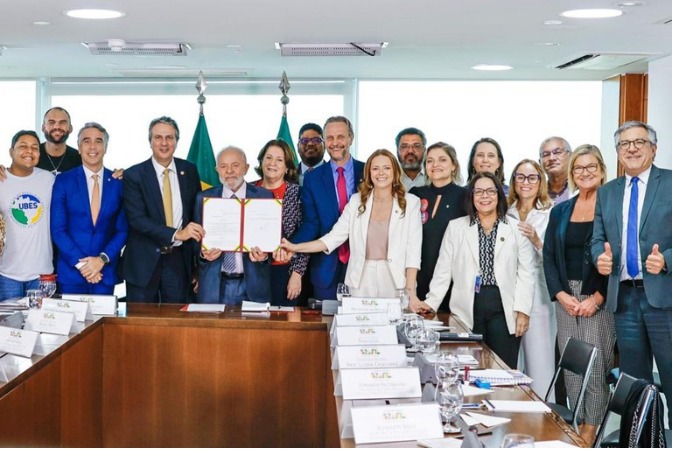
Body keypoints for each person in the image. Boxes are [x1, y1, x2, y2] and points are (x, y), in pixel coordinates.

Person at [592, 121, 671, 424]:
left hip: (665, 300)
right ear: (618, 152)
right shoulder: (607, 192)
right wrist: (600, 257)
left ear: (654, 148)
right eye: (625, 144)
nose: (632, 148)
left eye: (639, 142)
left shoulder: (671, 183)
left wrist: (666, 259)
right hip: (624, 300)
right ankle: (647, 441)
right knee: (637, 388)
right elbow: (597, 239)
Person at [413, 172, 534, 368]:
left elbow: (527, 273)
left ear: (499, 195)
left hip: (504, 306)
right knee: (468, 367)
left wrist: (523, 311)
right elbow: (443, 270)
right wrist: (431, 303)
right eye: (478, 191)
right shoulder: (456, 228)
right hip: (467, 305)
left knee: (503, 369)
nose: (484, 196)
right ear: (471, 196)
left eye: (490, 191)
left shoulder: (516, 228)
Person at [277, 149, 422, 299]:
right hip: (361, 280)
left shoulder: (411, 203)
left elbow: (413, 252)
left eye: (386, 168)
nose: (381, 173)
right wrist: (294, 247)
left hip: (395, 281)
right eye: (375, 168)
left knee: (394, 322)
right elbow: (331, 239)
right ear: (369, 173)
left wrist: (410, 293)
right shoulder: (356, 201)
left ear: (395, 172)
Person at [544, 144, 615, 444]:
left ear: (601, 169)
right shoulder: (560, 210)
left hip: (596, 297)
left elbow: (617, 257)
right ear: (572, 173)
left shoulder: (611, 208)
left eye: (590, 167)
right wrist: (560, 294)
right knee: (572, 368)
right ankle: (577, 422)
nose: (584, 173)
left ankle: (590, 430)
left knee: (596, 367)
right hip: (567, 299)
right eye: (578, 168)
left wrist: (597, 298)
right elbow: (548, 256)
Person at [122, 116, 204, 303]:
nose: (164, 143)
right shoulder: (134, 175)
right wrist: (177, 234)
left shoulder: (189, 170)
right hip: (143, 262)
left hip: (179, 262)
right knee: (140, 324)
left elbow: (196, 216)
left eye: (170, 137)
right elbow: (137, 220)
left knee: (175, 322)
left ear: (176, 141)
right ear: (150, 141)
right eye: (158, 137)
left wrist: (197, 266)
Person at [291, 116, 365, 300]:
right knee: (325, 325)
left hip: (364, 268)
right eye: (330, 138)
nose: (335, 143)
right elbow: (311, 223)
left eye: (341, 137)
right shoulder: (313, 178)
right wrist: (291, 246)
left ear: (351, 138)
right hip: (325, 268)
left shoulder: (368, 172)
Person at [50, 122, 128, 295]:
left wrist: (101, 260)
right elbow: (58, 230)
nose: (92, 146)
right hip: (71, 273)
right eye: (86, 141)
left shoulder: (119, 183)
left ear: (106, 147)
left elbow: (122, 230)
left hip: (104, 273)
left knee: (103, 322)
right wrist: (84, 265)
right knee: (71, 322)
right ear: (78, 147)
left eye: (98, 141)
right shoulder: (63, 181)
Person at [194, 146, 272, 305]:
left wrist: (264, 256)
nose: (229, 171)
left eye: (235, 165)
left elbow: (271, 237)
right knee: (213, 330)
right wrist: (203, 255)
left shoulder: (264, 196)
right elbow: (195, 242)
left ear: (246, 168)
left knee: (252, 330)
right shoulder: (203, 197)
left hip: (253, 283)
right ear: (217, 170)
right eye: (223, 166)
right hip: (214, 284)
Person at [506, 159, 556, 400]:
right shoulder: (505, 211)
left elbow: (555, 257)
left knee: (540, 364)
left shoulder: (551, 212)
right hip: (508, 291)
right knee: (513, 366)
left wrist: (537, 240)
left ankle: (546, 423)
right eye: (520, 177)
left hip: (539, 293)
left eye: (532, 177)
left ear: (540, 181)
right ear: (513, 181)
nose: (526, 182)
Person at [409, 142, 467, 311]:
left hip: (452, 279)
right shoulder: (416, 194)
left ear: (454, 165)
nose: (435, 165)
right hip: (419, 276)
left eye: (442, 160)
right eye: (430, 161)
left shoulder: (465, 196)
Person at [0, 131, 55, 300]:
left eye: (34, 148)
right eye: (23, 146)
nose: (29, 151)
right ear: (11, 152)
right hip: (7, 273)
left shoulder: (49, 179)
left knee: (42, 325)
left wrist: (120, 174)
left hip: (42, 275)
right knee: (8, 325)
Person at [253, 139, 309, 306]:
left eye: (279, 160)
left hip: (285, 270)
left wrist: (297, 274)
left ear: (287, 167)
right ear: (261, 161)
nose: (272, 163)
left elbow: (306, 235)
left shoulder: (298, 194)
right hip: (251, 270)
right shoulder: (247, 190)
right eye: (268, 158)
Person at [37, 107, 82, 175]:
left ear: (70, 128)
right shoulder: (32, 155)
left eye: (62, 123)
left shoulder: (80, 159)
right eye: (51, 122)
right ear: (43, 128)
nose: (57, 127)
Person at [539, 136, 572, 205]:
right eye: (546, 154)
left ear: (571, 156)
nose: (551, 158)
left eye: (557, 152)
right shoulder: (535, 194)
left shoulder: (583, 189)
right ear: (540, 163)